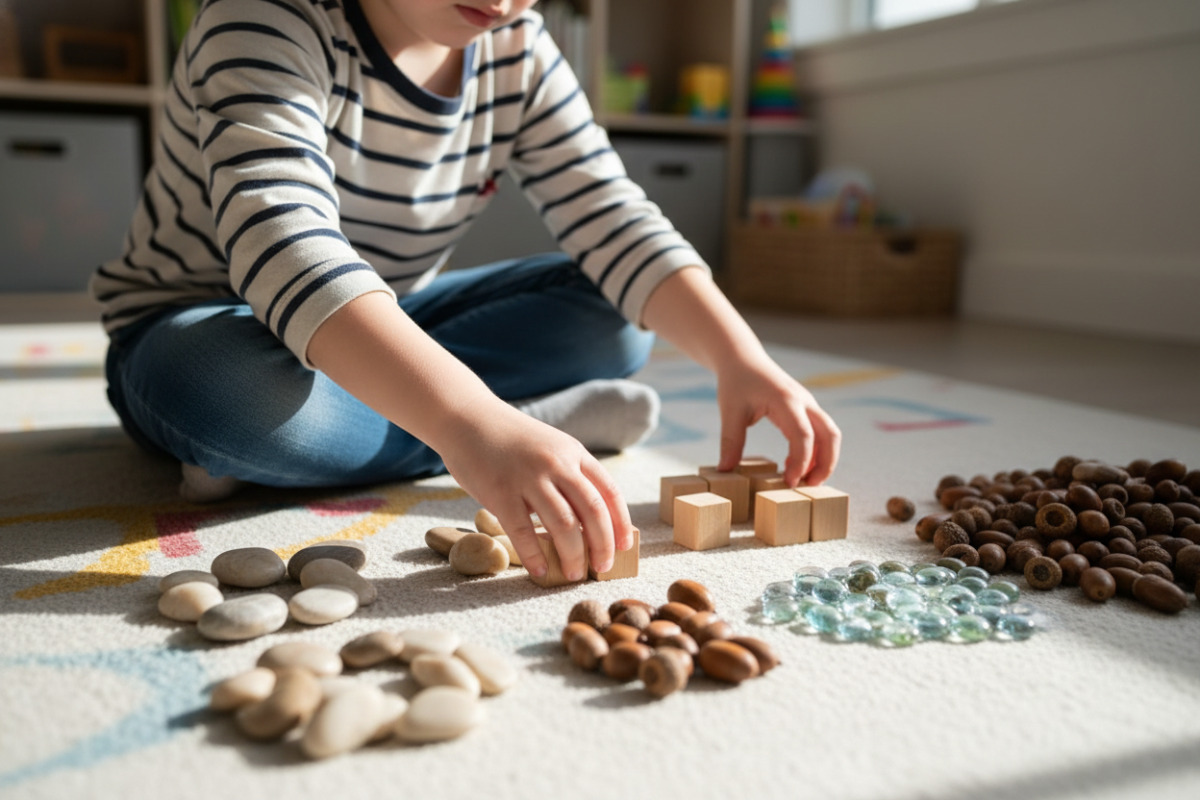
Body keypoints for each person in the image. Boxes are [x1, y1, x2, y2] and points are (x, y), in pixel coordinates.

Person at [92, 0, 841, 583]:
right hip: (199, 322)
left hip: (384, 317)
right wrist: (471, 422)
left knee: (616, 318)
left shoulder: (519, 51)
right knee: (227, 394)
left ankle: (412, 431)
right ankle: (493, 426)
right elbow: (284, 247)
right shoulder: (264, 18)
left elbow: (614, 218)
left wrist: (741, 357)